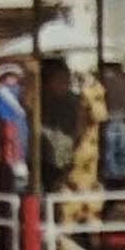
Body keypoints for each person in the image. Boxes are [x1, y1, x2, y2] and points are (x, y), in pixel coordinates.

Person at [0, 63, 31, 189]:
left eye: (13, 76)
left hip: (17, 135)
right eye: (7, 77)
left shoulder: (17, 92)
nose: (11, 80)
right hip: (9, 135)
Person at [37, 60, 80, 193]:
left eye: (67, 79)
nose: (65, 83)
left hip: (70, 159)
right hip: (45, 160)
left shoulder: (75, 101)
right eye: (60, 79)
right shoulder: (38, 102)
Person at [98, 59, 125, 186]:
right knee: (115, 150)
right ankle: (116, 177)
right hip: (113, 118)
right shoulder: (104, 79)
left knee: (120, 149)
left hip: (122, 118)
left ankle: (120, 177)